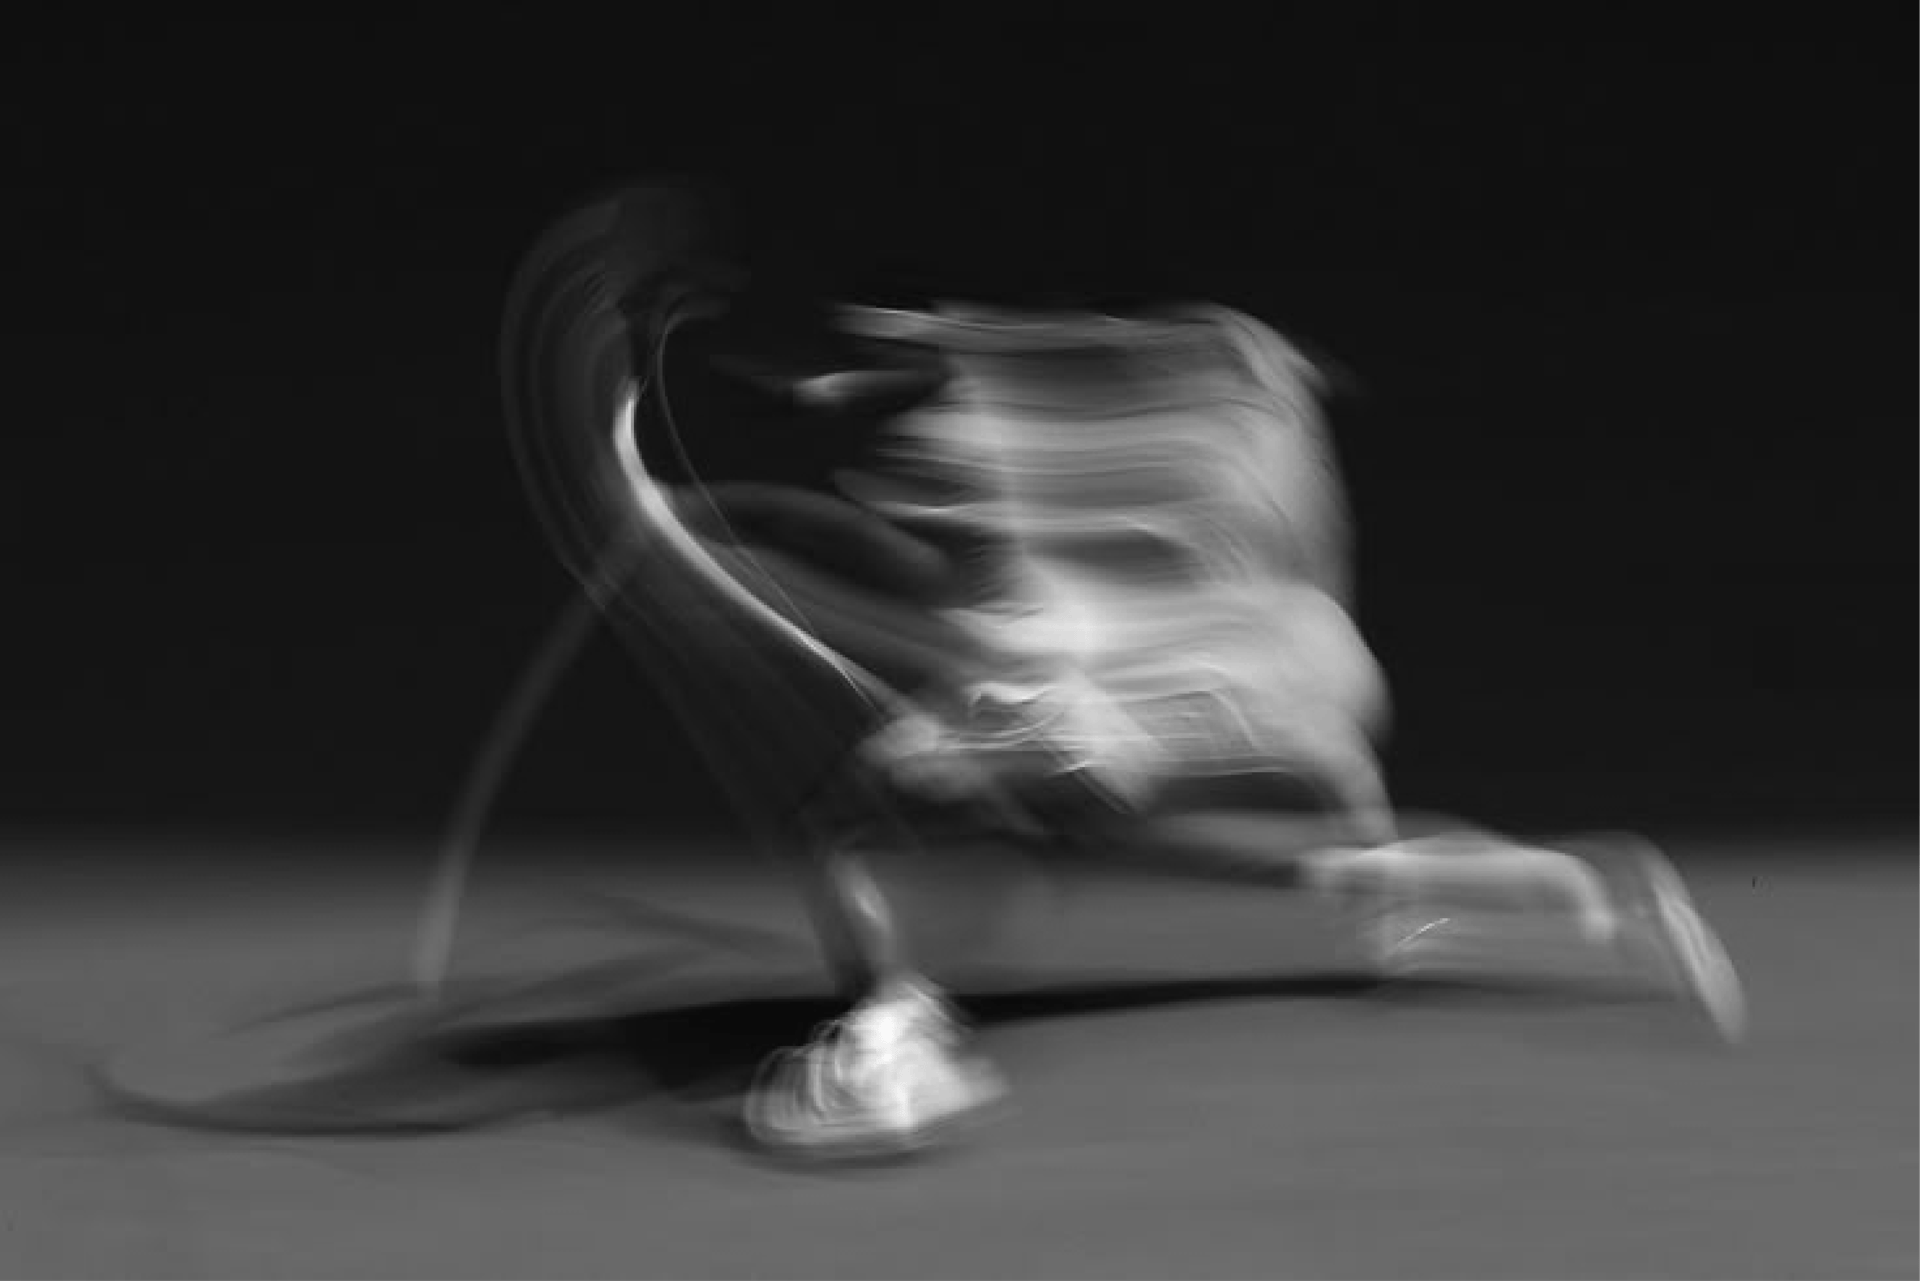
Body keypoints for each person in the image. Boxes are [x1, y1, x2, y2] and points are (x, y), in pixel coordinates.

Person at [500, 181, 1746, 1163]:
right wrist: (721, 529)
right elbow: (946, 578)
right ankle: (1595, 887)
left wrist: (709, 549)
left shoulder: (985, 450)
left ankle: (905, 1039)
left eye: (885, 350)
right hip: (1217, 706)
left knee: (892, 805)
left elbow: (978, 626)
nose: (853, 380)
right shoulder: (996, 438)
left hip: (1153, 711)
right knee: (1273, 867)